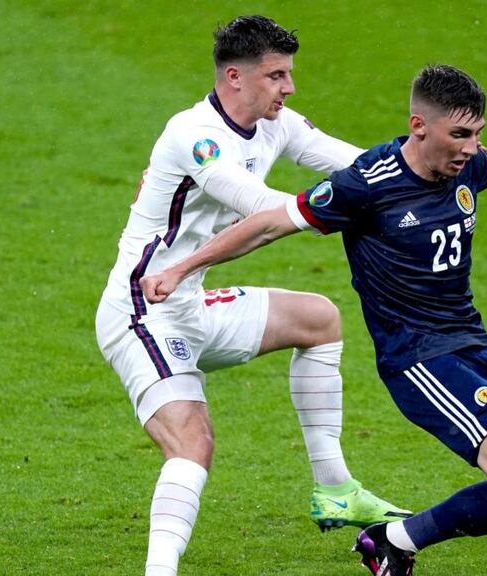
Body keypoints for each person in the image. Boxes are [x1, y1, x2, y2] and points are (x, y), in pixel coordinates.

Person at [140, 64, 487, 575]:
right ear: (419, 126)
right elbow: (271, 224)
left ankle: (397, 539)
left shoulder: (465, 165)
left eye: (477, 134)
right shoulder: (366, 186)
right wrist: (184, 266)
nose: (472, 148)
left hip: (474, 343)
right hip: (418, 356)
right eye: (460, 135)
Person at [94, 15, 409, 576]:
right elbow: (259, 207)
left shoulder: (276, 124)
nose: (288, 88)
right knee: (194, 443)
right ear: (234, 77)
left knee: (318, 318)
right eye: (277, 75)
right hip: (142, 312)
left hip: (189, 302)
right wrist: (342, 207)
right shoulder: (193, 136)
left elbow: (355, 163)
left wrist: (417, 169)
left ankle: (335, 489)